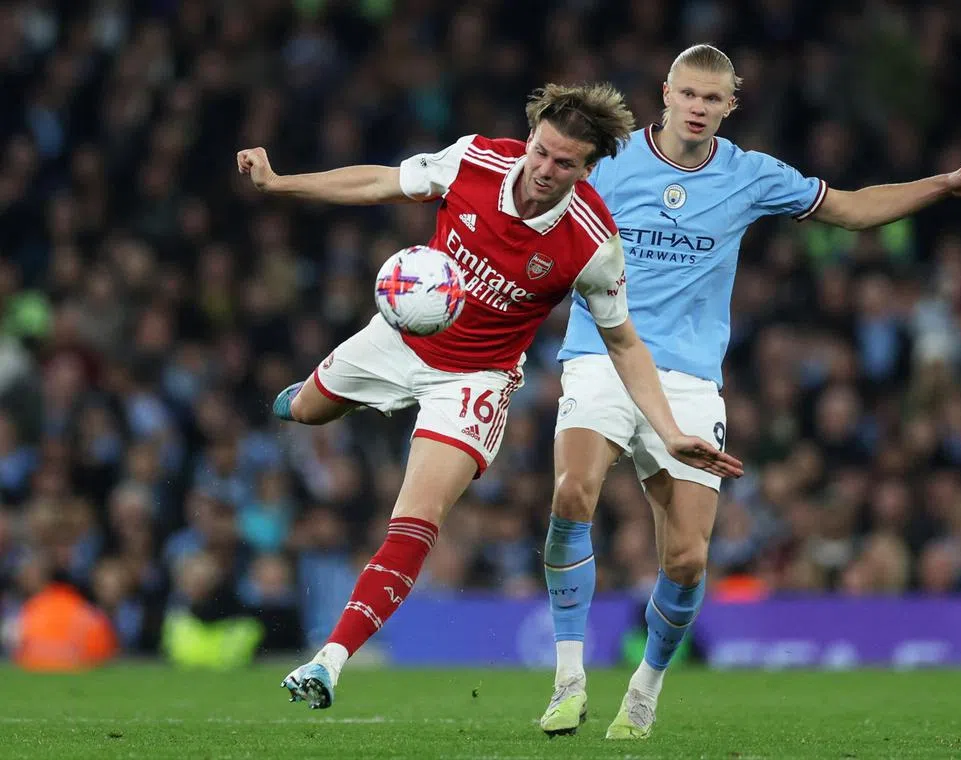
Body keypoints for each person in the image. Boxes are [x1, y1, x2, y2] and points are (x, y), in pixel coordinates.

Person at [539, 44, 961, 739]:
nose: (697, 108)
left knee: (687, 559)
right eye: (687, 94)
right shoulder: (608, 158)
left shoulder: (751, 175)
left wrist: (942, 184)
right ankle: (568, 679)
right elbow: (530, 192)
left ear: (731, 105)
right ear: (665, 93)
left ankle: (644, 691)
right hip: (601, 354)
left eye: (712, 98)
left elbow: (851, 209)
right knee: (573, 490)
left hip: (690, 377)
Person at [235, 82, 744, 710]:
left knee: (417, 519)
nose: (544, 170)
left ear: (588, 170)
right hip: (400, 336)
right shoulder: (474, 159)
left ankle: (328, 661)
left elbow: (625, 343)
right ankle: (330, 396)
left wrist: (668, 431)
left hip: (473, 381)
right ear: (529, 139)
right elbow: (381, 182)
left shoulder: (592, 242)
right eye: (541, 152)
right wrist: (280, 184)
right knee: (305, 411)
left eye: (564, 163)